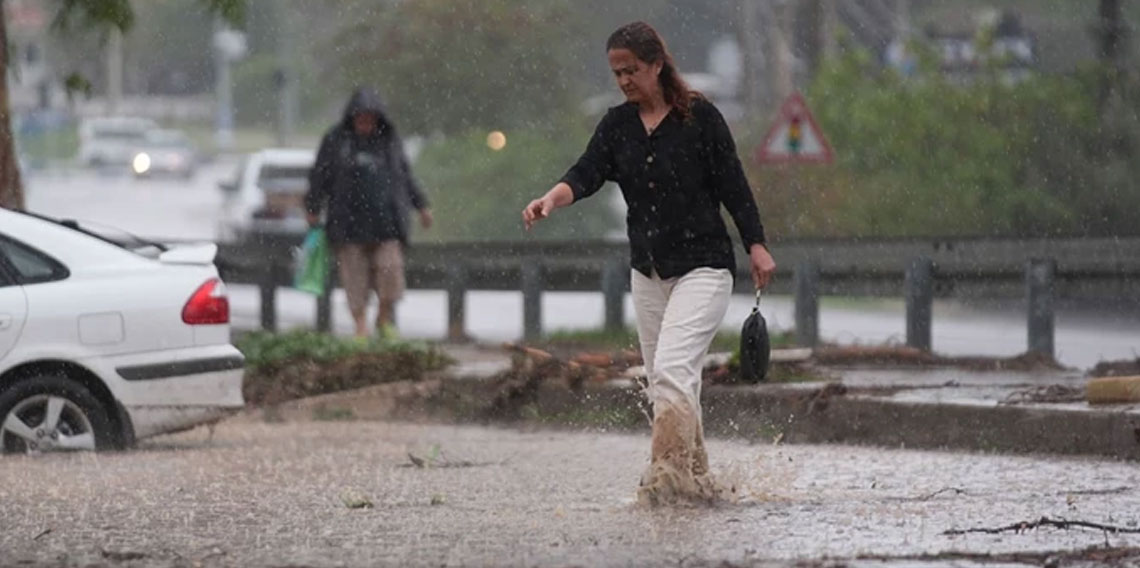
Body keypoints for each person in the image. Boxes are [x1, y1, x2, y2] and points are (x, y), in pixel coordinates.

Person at [522, 22, 776, 505]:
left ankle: (664, 477)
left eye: (631, 70)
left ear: (657, 64)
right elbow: (586, 171)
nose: (623, 81)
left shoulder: (700, 118)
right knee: (667, 383)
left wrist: (756, 244)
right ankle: (697, 480)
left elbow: (733, 184)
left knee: (673, 371)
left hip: (704, 267)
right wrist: (551, 199)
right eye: (617, 73)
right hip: (649, 272)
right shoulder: (618, 126)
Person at [305, 88, 433, 339]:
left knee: (390, 271)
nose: (365, 123)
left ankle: (383, 319)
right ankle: (360, 327)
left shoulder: (389, 140)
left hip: (387, 224)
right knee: (354, 279)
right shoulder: (336, 140)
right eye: (360, 118)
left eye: (370, 118)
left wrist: (421, 206)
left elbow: (405, 175)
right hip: (348, 226)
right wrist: (313, 206)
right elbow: (319, 175)